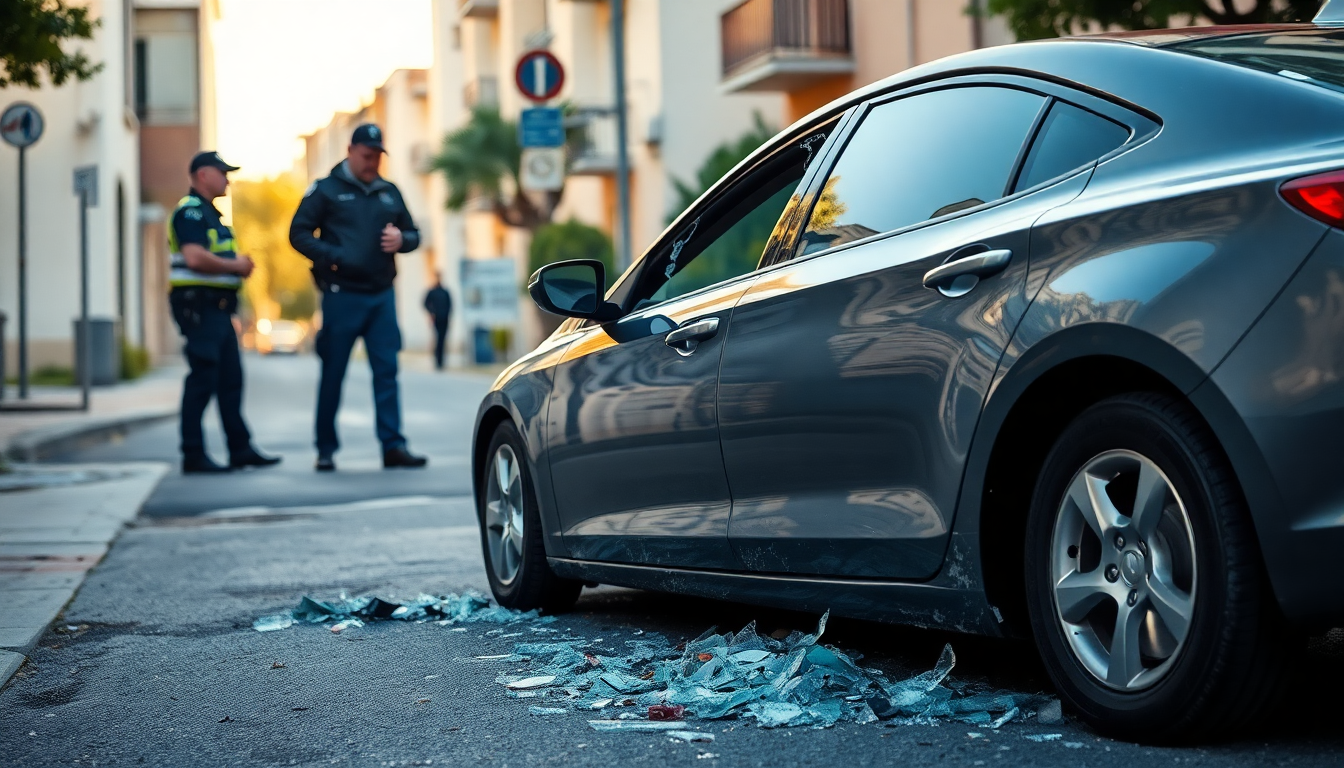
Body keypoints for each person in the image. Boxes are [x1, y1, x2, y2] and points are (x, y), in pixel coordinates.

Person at [289, 124, 428, 472]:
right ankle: (325, 449)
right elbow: (298, 233)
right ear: (350, 150)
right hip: (342, 296)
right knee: (333, 372)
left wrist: (403, 240)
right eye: (367, 156)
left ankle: (393, 446)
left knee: (387, 372)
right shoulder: (326, 190)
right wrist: (332, 255)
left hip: (381, 296)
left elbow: (413, 234)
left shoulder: (389, 191)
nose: (372, 163)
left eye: (378, 156)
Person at [168, 151, 281, 474]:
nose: (227, 179)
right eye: (223, 173)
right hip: (199, 309)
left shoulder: (211, 215)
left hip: (218, 310)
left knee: (231, 380)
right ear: (203, 175)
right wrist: (236, 265)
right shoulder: (190, 213)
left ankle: (240, 449)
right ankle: (193, 454)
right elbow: (194, 258)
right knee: (202, 380)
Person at [423, 274, 452, 370]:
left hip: (444, 319)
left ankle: (441, 361)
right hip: (436, 319)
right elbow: (425, 303)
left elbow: (450, 305)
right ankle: (437, 361)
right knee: (438, 339)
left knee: (442, 340)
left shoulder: (445, 292)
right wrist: (431, 312)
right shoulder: (432, 291)